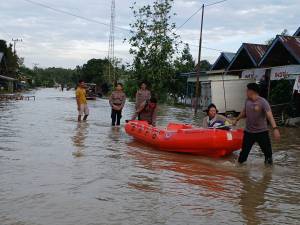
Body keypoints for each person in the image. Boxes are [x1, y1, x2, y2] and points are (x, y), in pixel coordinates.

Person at [233, 83, 280, 165]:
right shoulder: (247, 101)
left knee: (268, 155)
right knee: (243, 156)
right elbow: (244, 112)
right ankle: (240, 174)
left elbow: (269, 116)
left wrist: (275, 128)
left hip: (262, 132)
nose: (246, 92)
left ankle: (268, 176)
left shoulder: (263, 102)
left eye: (247, 90)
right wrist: (236, 119)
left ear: (252, 91)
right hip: (249, 132)